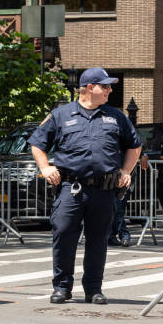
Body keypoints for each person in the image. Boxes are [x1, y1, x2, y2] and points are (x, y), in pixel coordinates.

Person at [28, 68, 142, 304]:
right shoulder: (61, 114)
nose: (110, 90)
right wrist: (45, 167)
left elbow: (135, 145)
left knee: (98, 239)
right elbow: (37, 144)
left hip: (103, 189)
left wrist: (125, 171)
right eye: (106, 86)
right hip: (72, 187)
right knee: (63, 234)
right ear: (90, 88)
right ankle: (61, 287)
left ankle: (93, 288)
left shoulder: (116, 116)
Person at [140, 125, 163, 227]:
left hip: (161, 173)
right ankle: (150, 220)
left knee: (161, 196)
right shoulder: (152, 144)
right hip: (150, 173)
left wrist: (156, 157)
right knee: (149, 196)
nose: (156, 136)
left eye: (157, 135)